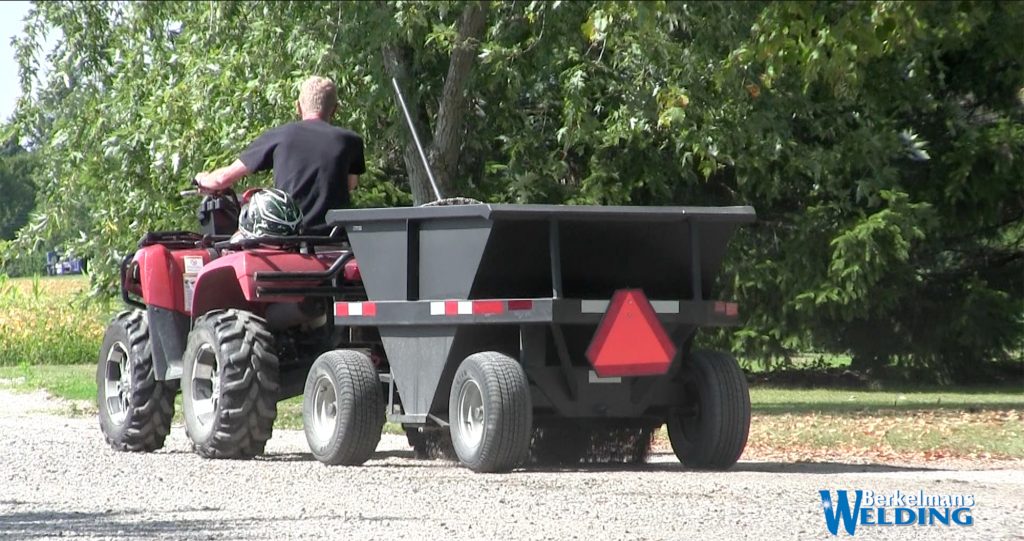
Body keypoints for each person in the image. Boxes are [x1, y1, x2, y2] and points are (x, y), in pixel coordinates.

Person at [195, 75, 366, 232]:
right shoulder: (351, 141)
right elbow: (350, 185)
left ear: (298, 107)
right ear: (335, 109)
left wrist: (203, 179)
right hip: (336, 239)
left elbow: (223, 179)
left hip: (292, 239)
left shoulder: (280, 136)